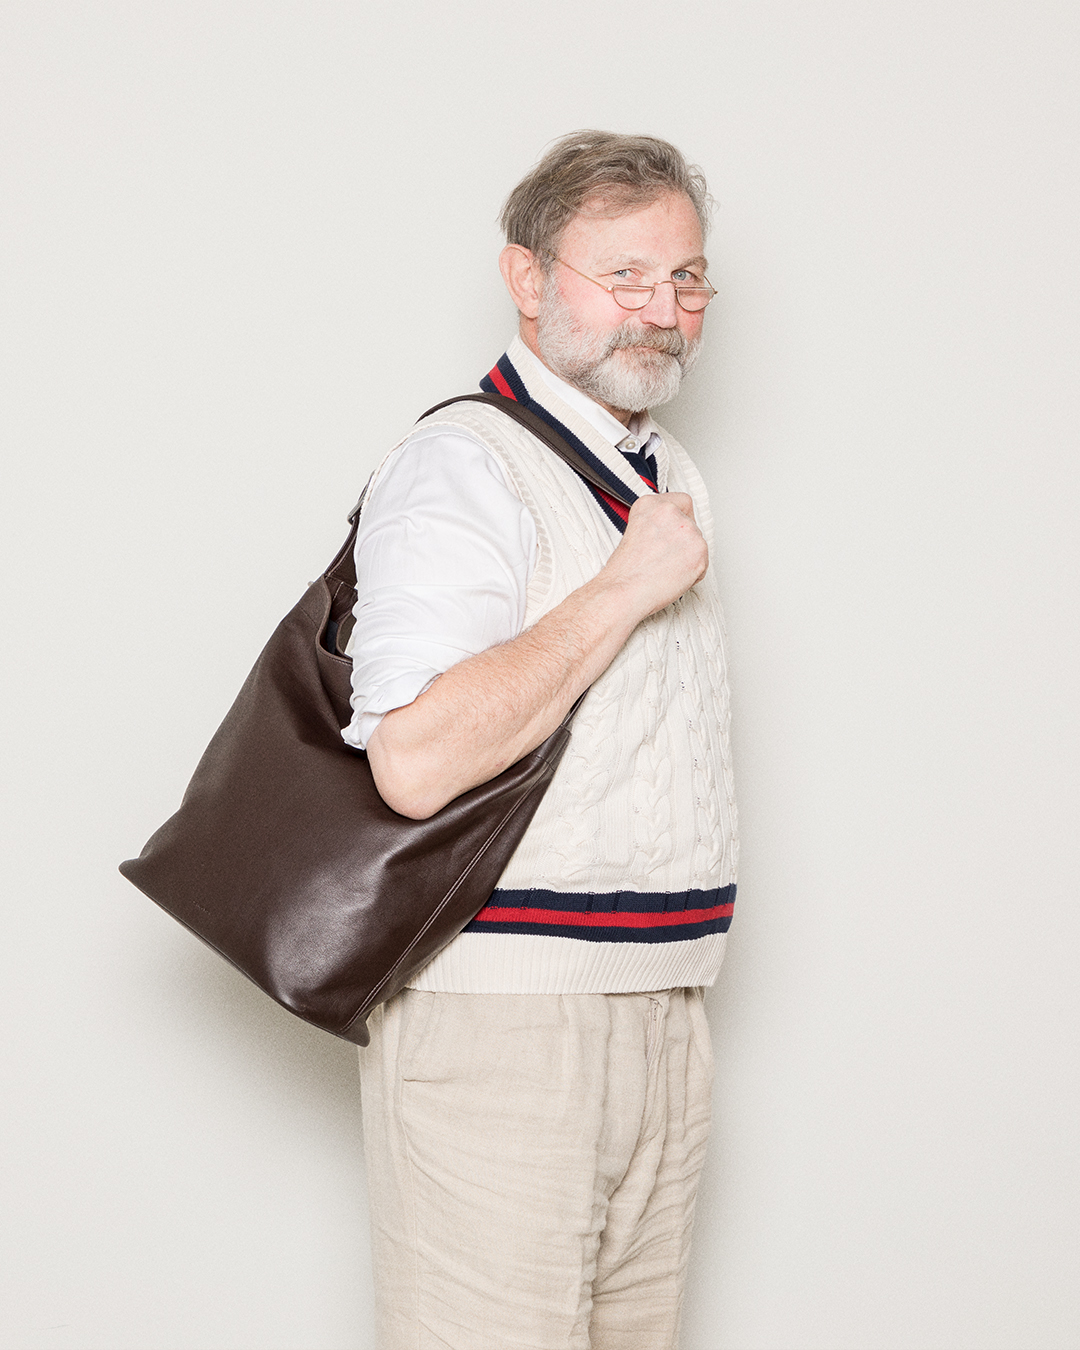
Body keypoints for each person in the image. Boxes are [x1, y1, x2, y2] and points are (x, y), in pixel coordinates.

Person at [342, 130, 737, 1350]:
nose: (660, 312)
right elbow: (411, 762)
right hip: (505, 1022)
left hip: (663, 1007)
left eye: (685, 279)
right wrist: (620, 589)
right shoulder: (462, 465)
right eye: (623, 275)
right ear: (527, 278)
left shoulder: (663, 468)